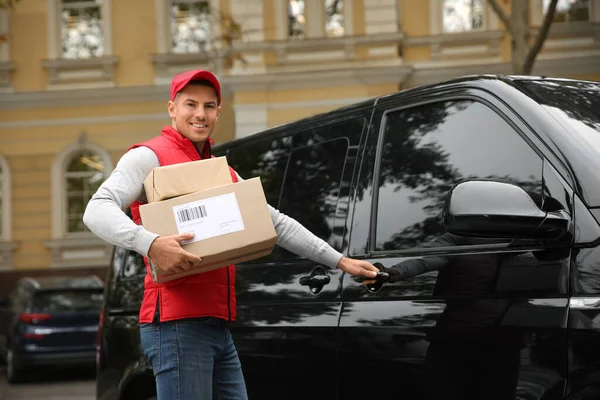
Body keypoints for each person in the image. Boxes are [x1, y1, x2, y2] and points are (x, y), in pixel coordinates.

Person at [83, 69, 379, 400]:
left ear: (218, 113)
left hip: (218, 325)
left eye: (209, 106)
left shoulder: (221, 171)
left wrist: (341, 262)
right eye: (190, 104)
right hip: (177, 325)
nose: (200, 114)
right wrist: (150, 243)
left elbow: (275, 223)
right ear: (172, 108)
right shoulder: (148, 156)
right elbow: (96, 210)